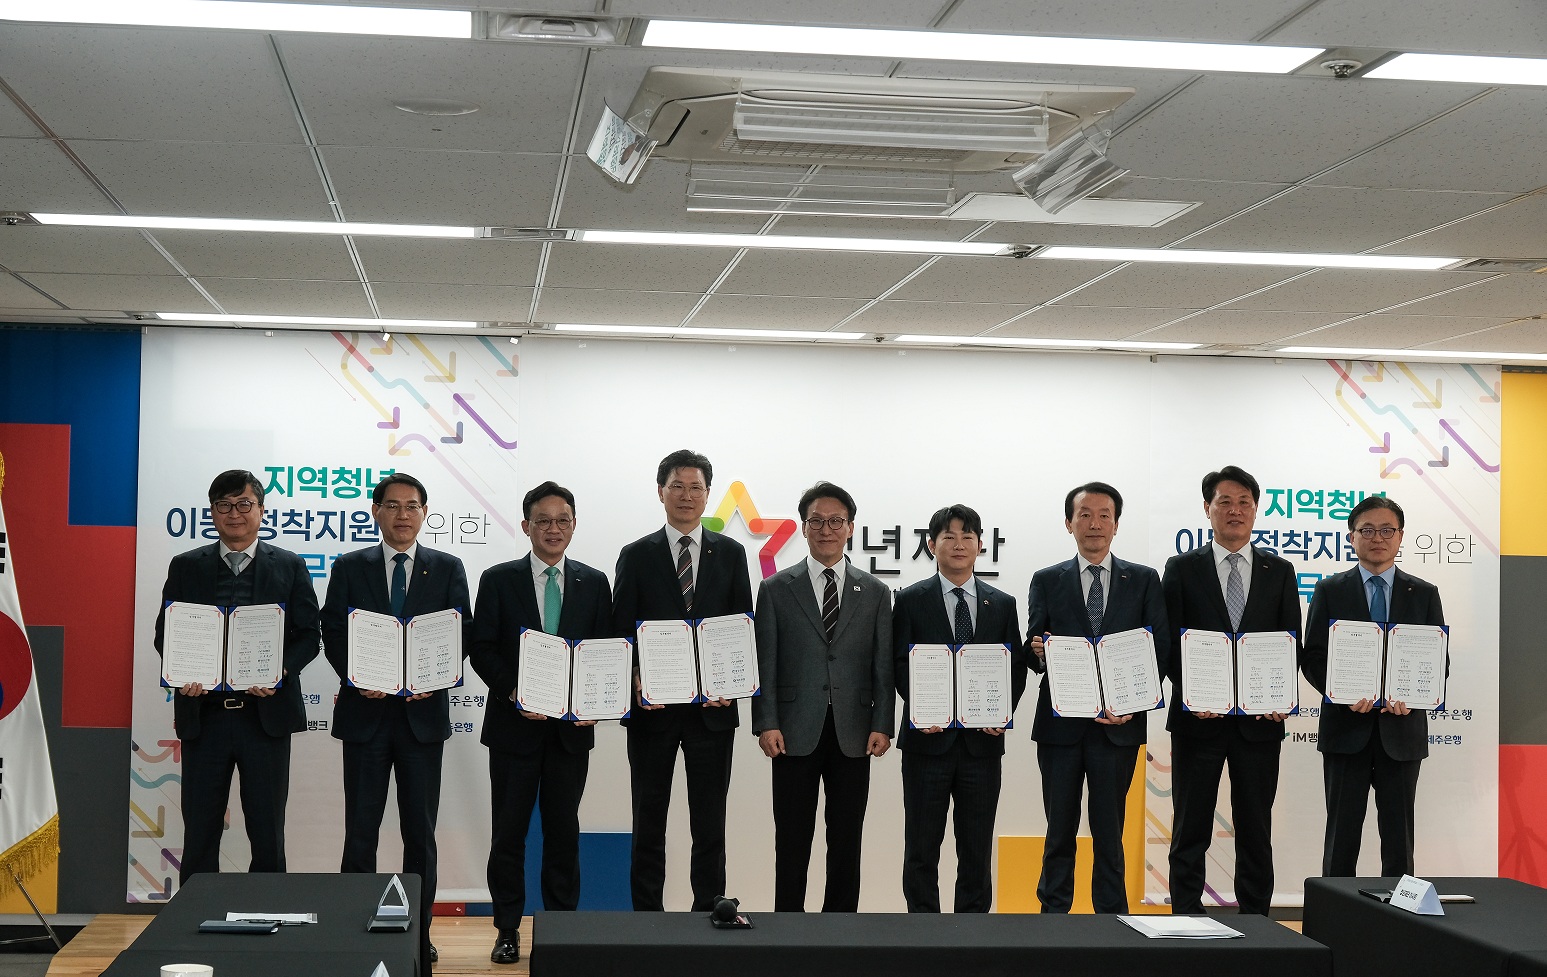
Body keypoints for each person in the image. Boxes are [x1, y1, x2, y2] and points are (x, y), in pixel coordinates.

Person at [322, 472, 472, 965]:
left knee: (419, 836)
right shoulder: (350, 566)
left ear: (424, 513)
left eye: (412, 506)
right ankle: (353, 934)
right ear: (376, 511)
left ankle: (417, 934)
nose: (402, 515)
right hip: (365, 715)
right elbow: (333, 630)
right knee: (360, 833)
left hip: (421, 720)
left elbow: (461, 632)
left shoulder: (447, 568)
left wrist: (438, 675)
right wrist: (355, 675)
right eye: (392, 505)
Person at [153, 469, 320, 883]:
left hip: (265, 718)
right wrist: (184, 671)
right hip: (204, 716)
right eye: (224, 505)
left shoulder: (289, 565)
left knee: (267, 830)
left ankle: (268, 910)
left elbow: (308, 635)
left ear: (261, 510)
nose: (235, 513)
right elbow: (165, 634)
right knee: (200, 828)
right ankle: (197, 913)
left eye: (244, 504)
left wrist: (280, 671)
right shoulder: (186, 566)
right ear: (212, 512)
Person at [471, 481, 612, 964]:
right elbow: (481, 647)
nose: (554, 529)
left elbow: (605, 651)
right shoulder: (498, 579)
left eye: (563, 520)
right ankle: (507, 929)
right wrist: (513, 691)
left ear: (574, 525)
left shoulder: (594, 582)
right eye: (544, 521)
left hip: (570, 735)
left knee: (563, 834)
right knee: (508, 836)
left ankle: (561, 930)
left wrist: (596, 700)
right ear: (526, 526)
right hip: (514, 730)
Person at [613, 449, 754, 911]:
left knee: (710, 824)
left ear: (708, 495)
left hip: (712, 714)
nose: (687, 496)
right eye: (678, 486)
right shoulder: (636, 555)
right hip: (652, 712)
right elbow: (621, 629)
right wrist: (635, 674)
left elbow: (742, 626)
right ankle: (646, 919)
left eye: (696, 488)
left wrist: (731, 683)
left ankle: (707, 914)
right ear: (661, 492)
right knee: (648, 821)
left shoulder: (731, 553)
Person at [1163, 465, 1301, 916]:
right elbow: (1168, 642)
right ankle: (1186, 917)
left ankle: (1256, 921)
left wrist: (1280, 697)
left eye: (1244, 503)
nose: (1235, 511)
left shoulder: (1280, 571)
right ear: (1208, 508)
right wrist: (1192, 692)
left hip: (1259, 724)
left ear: (1256, 510)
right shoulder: (1182, 568)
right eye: (1225, 502)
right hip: (1197, 722)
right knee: (1190, 828)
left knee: (1256, 829)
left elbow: (1290, 642)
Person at [1025, 482, 1169, 914]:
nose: (1094, 524)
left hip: (1118, 729)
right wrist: (1037, 650)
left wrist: (1132, 706)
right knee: (1059, 830)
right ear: (1069, 523)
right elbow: (1033, 647)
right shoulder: (1046, 579)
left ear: (1116, 524)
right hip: (1060, 728)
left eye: (1104, 515)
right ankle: (1054, 915)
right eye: (1084, 514)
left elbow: (1159, 649)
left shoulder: (1143, 579)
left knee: (1110, 830)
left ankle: (1112, 918)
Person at [751, 481, 894, 912]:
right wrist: (766, 722)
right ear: (803, 527)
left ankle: (841, 931)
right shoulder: (776, 588)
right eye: (817, 521)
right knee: (792, 839)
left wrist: (883, 723)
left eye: (836, 521)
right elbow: (765, 663)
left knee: (846, 840)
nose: (826, 529)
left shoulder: (875, 592)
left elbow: (882, 666)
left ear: (850, 527)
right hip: (792, 731)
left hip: (855, 731)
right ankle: (787, 929)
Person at [893, 504, 1027, 913]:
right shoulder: (910, 600)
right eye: (948, 536)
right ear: (931, 544)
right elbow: (898, 663)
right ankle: (923, 932)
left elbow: (1014, 666)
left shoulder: (1001, 603)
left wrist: (1002, 712)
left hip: (981, 747)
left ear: (980, 544)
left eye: (967, 536)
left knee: (976, 849)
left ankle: (972, 934)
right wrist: (921, 708)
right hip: (926, 744)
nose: (958, 544)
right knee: (921, 848)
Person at [1303, 495, 1446, 877]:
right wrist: (1342, 693)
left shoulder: (1425, 593)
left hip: (1401, 733)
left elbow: (1438, 661)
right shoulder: (1330, 590)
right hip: (1345, 731)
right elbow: (1313, 655)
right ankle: (1336, 912)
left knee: (1399, 841)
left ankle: (1399, 914)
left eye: (1386, 530)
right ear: (1351, 537)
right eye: (1367, 530)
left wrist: (1413, 697)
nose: (1377, 538)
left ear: (1400, 536)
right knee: (1341, 839)